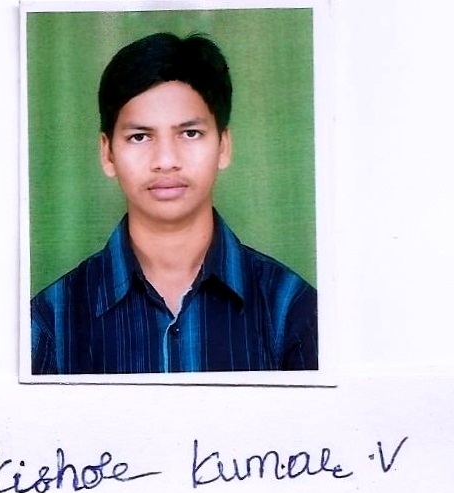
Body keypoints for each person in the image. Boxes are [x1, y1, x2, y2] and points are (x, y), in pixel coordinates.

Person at [31, 32, 318, 374]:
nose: (166, 161)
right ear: (107, 153)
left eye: (190, 133)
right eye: (140, 136)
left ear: (223, 145)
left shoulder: (291, 310)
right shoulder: (51, 322)